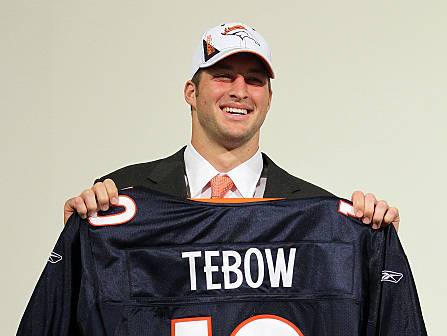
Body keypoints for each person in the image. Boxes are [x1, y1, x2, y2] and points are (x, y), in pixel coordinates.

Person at [62, 22, 400, 233]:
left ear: (269, 98)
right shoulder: (122, 196)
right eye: (224, 76)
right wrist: (79, 233)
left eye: (254, 80)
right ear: (191, 92)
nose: (240, 90)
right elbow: (87, 329)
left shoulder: (318, 211)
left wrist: (374, 240)